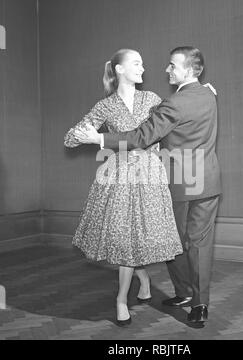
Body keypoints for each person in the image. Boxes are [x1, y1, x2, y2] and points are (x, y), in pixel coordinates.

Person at [76, 46, 221, 327]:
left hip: (179, 183)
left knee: (175, 242)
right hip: (209, 181)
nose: (166, 70)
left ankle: (182, 294)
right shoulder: (209, 94)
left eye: (172, 66)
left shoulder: (172, 104)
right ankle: (197, 303)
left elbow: (141, 136)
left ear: (188, 71)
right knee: (198, 245)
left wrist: (99, 140)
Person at [64, 49, 183, 326]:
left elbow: (177, 114)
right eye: (137, 63)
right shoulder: (105, 106)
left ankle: (140, 279)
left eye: (143, 63)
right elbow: (70, 138)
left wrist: (201, 91)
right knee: (126, 238)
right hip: (118, 178)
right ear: (119, 69)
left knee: (136, 239)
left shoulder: (151, 99)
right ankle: (121, 299)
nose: (143, 67)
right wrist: (87, 137)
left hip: (149, 176)